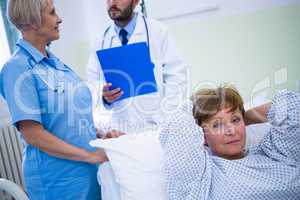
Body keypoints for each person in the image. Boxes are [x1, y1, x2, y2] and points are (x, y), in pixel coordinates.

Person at [0, 0, 108, 199]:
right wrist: (90, 155)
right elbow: (34, 135)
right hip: (58, 181)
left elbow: (68, 118)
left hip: (86, 172)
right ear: (33, 21)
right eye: (52, 13)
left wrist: (99, 134)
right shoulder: (17, 68)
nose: (59, 19)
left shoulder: (55, 64)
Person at [160, 86, 300, 199]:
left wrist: (246, 118)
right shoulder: (201, 176)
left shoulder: (272, 151)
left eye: (235, 120)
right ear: (202, 136)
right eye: (217, 125)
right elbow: (176, 126)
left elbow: (292, 107)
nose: (231, 130)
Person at [86, 0, 187, 133]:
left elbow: (177, 77)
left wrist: (167, 119)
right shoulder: (100, 40)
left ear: (136, 1)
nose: (112, 3)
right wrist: (104, 97)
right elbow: (92, 83)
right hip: (119, 130)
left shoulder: (158, 31)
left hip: (156, 127)